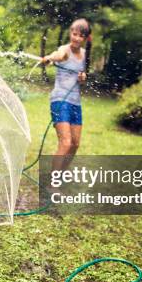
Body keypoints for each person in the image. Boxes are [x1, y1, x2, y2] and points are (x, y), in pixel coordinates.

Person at [41, 18, 92, 171]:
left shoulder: (85, 55)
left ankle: (60, 175)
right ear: (70, 33)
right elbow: (59, 55)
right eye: (74, 34)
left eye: (80, 36)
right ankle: (53, 185)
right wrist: (49, 58)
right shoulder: (65, 50)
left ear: (85, 38)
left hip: (75, 102)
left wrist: (83, 79)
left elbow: (82, 81)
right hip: (60, 100)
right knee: (65, 142)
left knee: (75, 144)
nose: (76, 38)